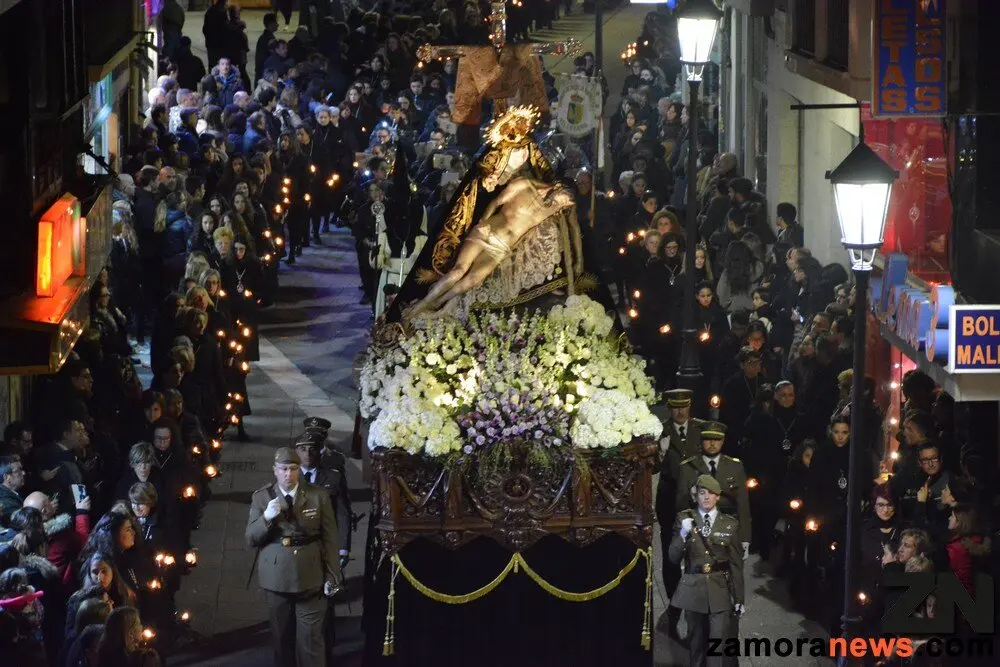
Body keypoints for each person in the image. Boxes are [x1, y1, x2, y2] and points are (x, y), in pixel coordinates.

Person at [245, 448, 344, 667]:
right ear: (275, 470)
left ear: (299, 470)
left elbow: (330, 538)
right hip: (277, 578)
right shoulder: (262, 497)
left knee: (311, 641)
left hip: (311, 576)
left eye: (292, 469)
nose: (287, 474)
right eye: (283, 469)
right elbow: (251, 538)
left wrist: (333, 575)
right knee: (282, 641)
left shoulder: (318, 496)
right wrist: (266, 518)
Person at [667, 474, 745, 666]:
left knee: (716, 646)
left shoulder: (729, 524)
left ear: (717, 496)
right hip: (693, 589)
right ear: (696, 496)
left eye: (711, 493)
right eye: (702, 493)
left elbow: (735, 564)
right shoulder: (684, 519)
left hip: (719, 589)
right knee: (696, 645)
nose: (706, 497)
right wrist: (683, 534)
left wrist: (739, 599)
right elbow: (673, 557)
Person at [675, 422, 751, 559]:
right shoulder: (687, 467)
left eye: (717, 439)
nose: (712, 443)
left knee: (732, 569)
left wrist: (745, 538)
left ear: (723, 441)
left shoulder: (735, 467)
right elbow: (681, 506)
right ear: (701, 440)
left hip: (728, 528)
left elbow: (743, 505)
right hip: (698, 530)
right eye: (708, 439)